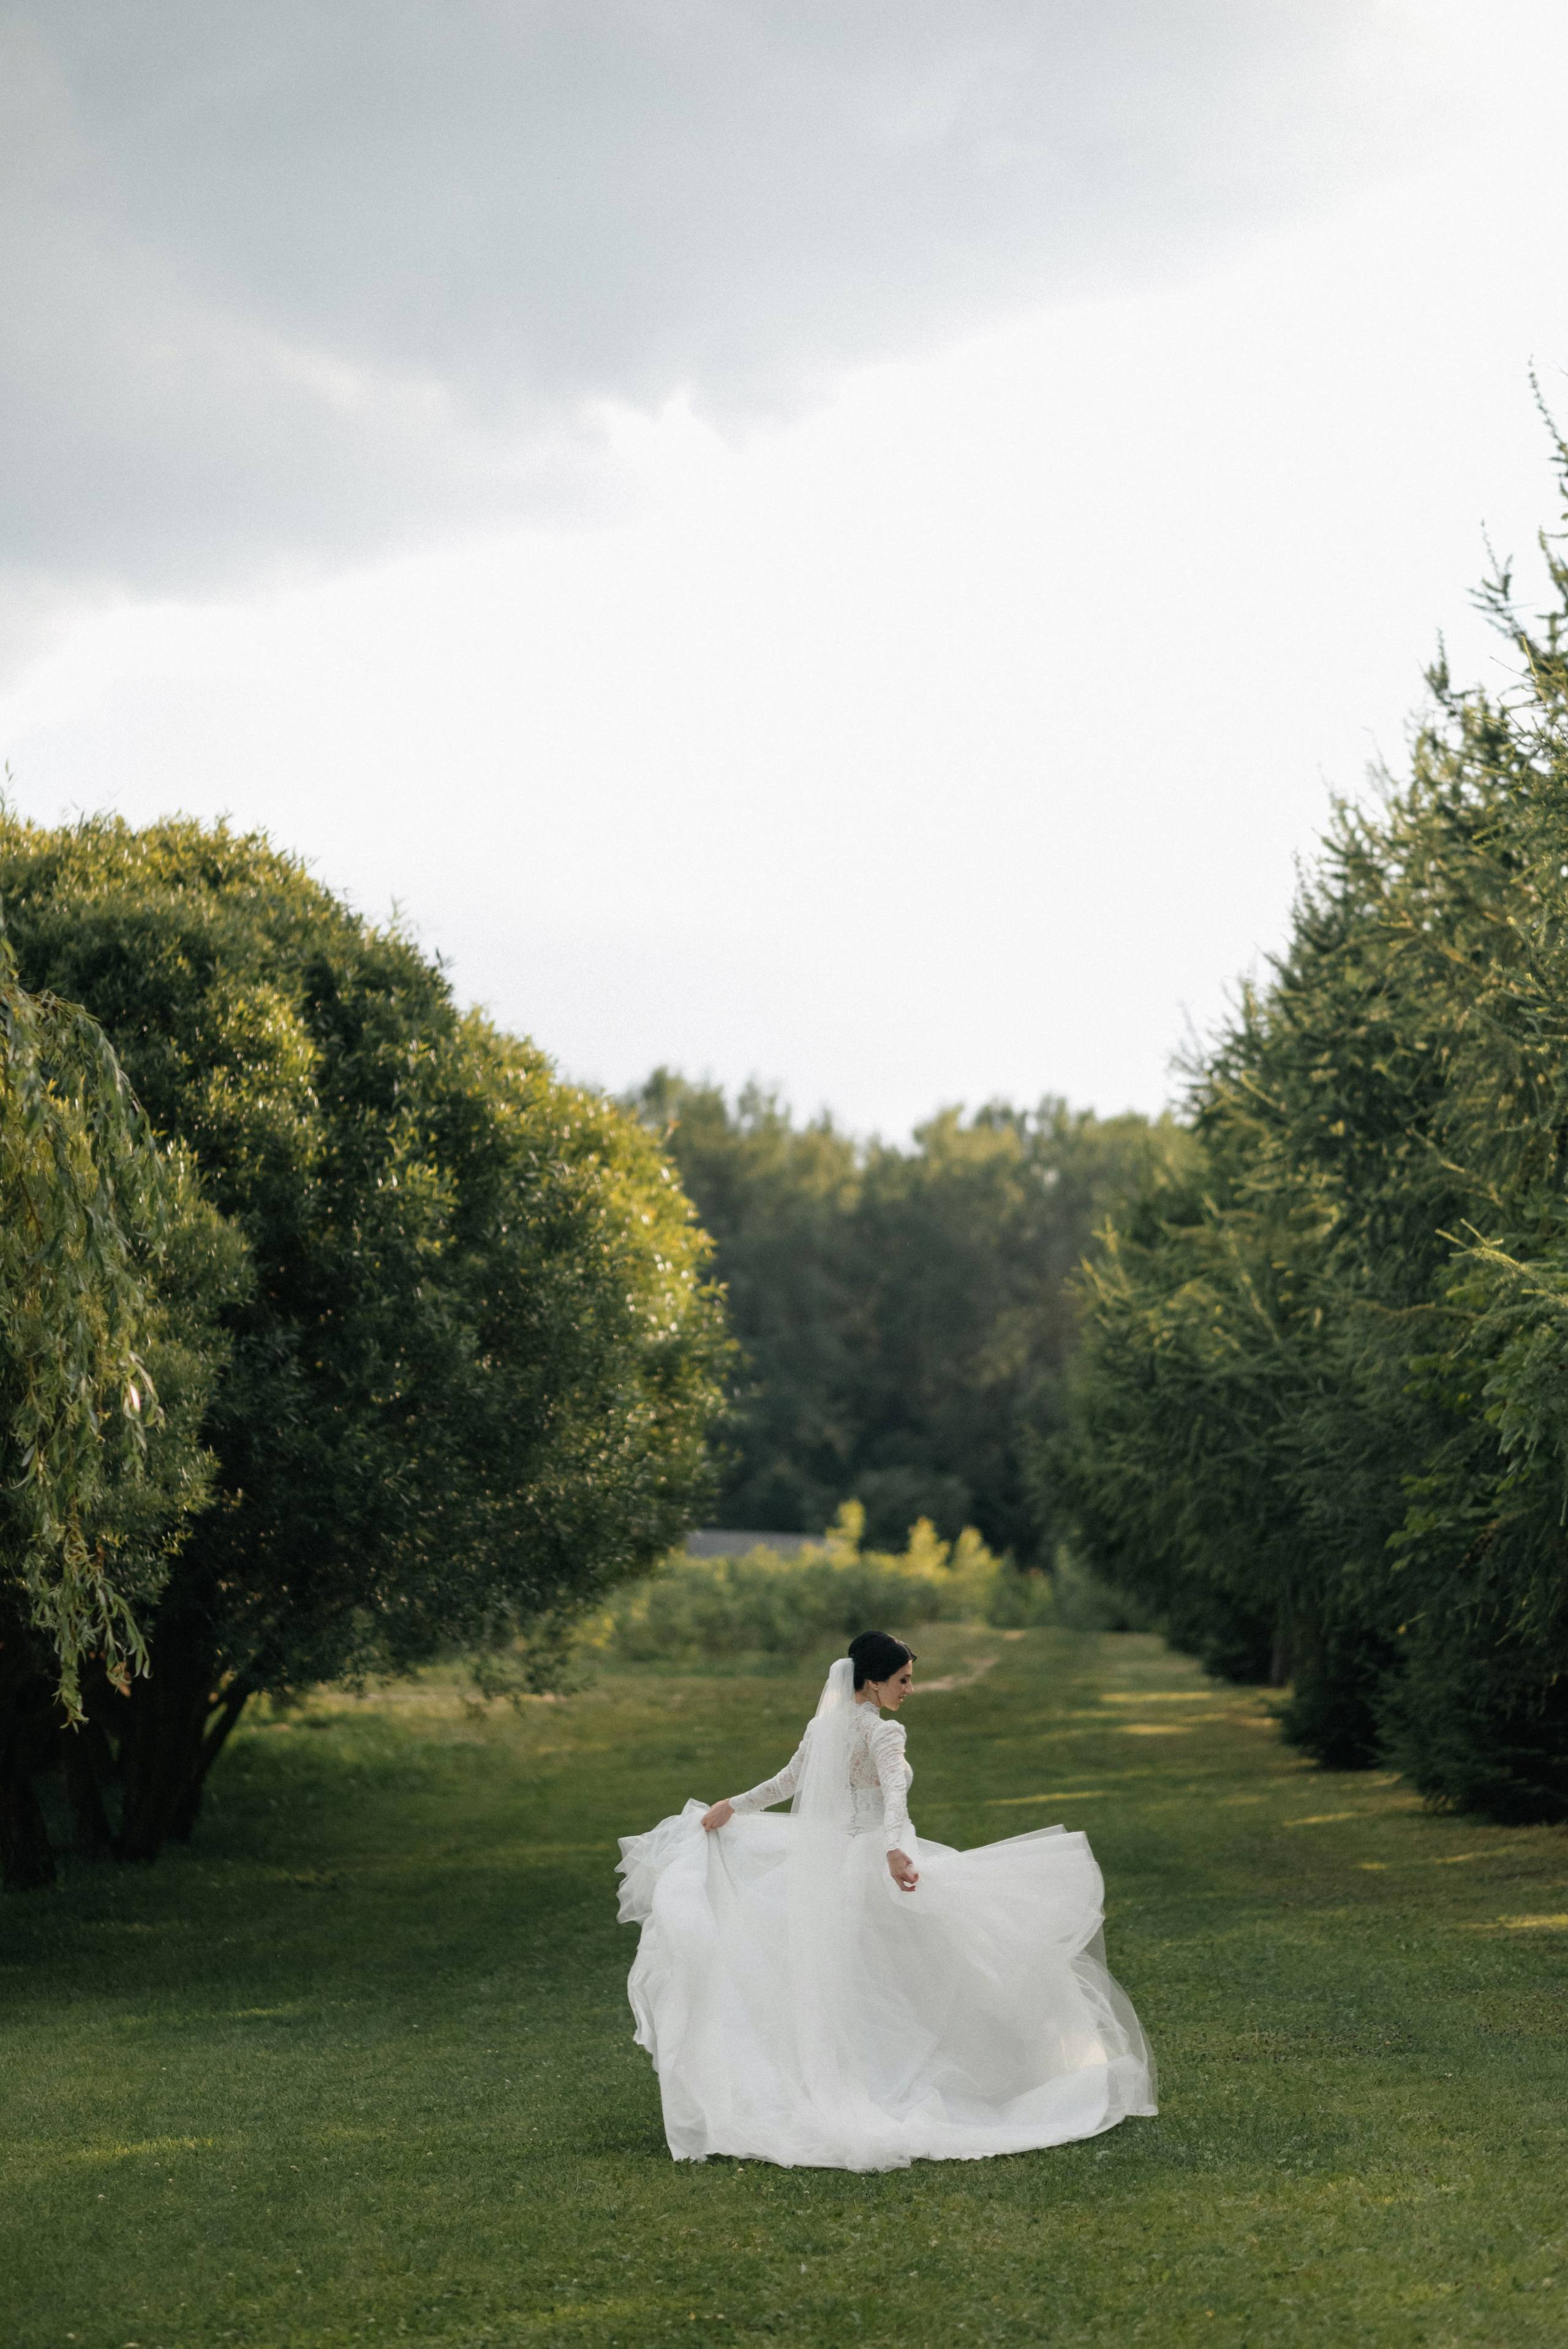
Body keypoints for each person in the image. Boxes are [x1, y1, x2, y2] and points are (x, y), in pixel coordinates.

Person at [615, 1629, 1157, 2170]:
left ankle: (865, 2073)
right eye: (903, 1680)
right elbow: (887, 1793)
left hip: (835, 1860)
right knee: (910, 1968)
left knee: (864, 1972)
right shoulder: (884, 1733)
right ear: (872, 1683)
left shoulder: (824, 1727)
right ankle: (907, 2078)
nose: (910, 1690)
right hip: (876, 1857)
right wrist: (895, 1851)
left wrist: (735, 1804)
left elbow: (786, 1782)